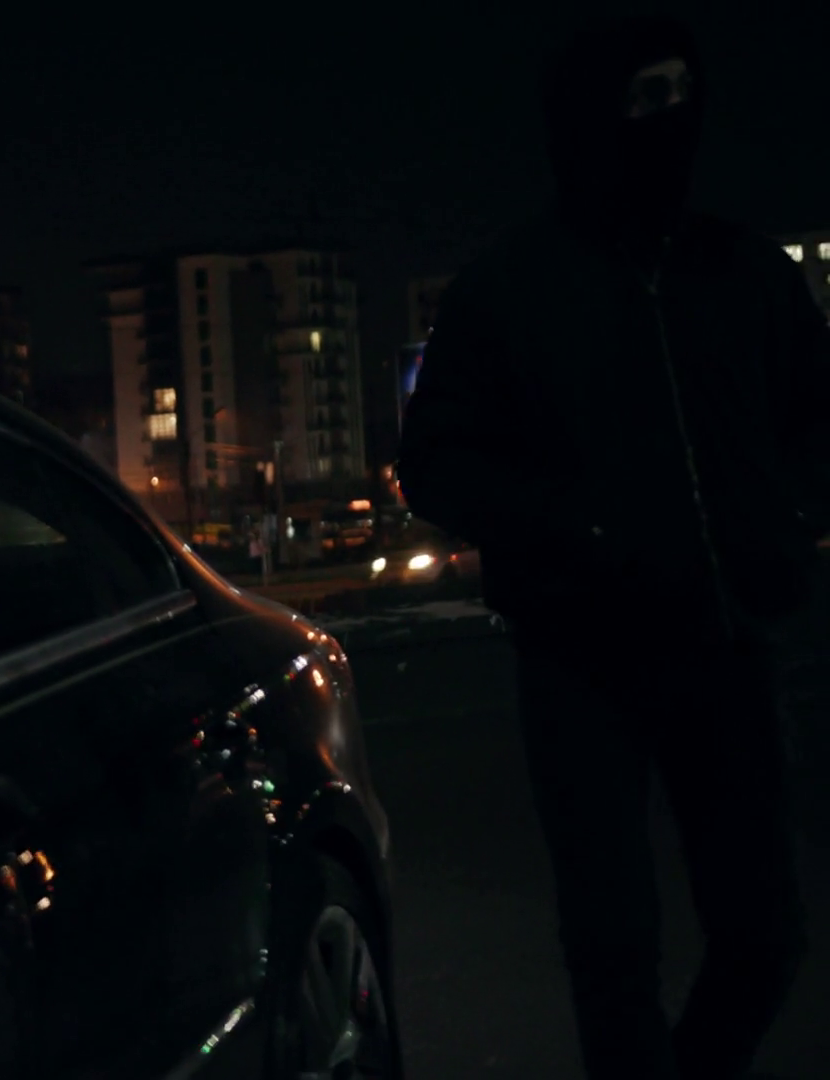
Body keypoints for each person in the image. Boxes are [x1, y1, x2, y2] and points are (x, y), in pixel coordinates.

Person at [396, 15, 825, 1080]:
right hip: (580, 663)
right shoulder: (509, 291)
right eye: (644, 98)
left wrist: (783, 520)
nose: (670, 120)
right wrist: (572, 532)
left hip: (729, 647)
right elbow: (437, 460)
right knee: (613, 950)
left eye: (684, 94)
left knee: (765, 935)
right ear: (588, 119)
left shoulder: (745, 272)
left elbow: (819, 419)